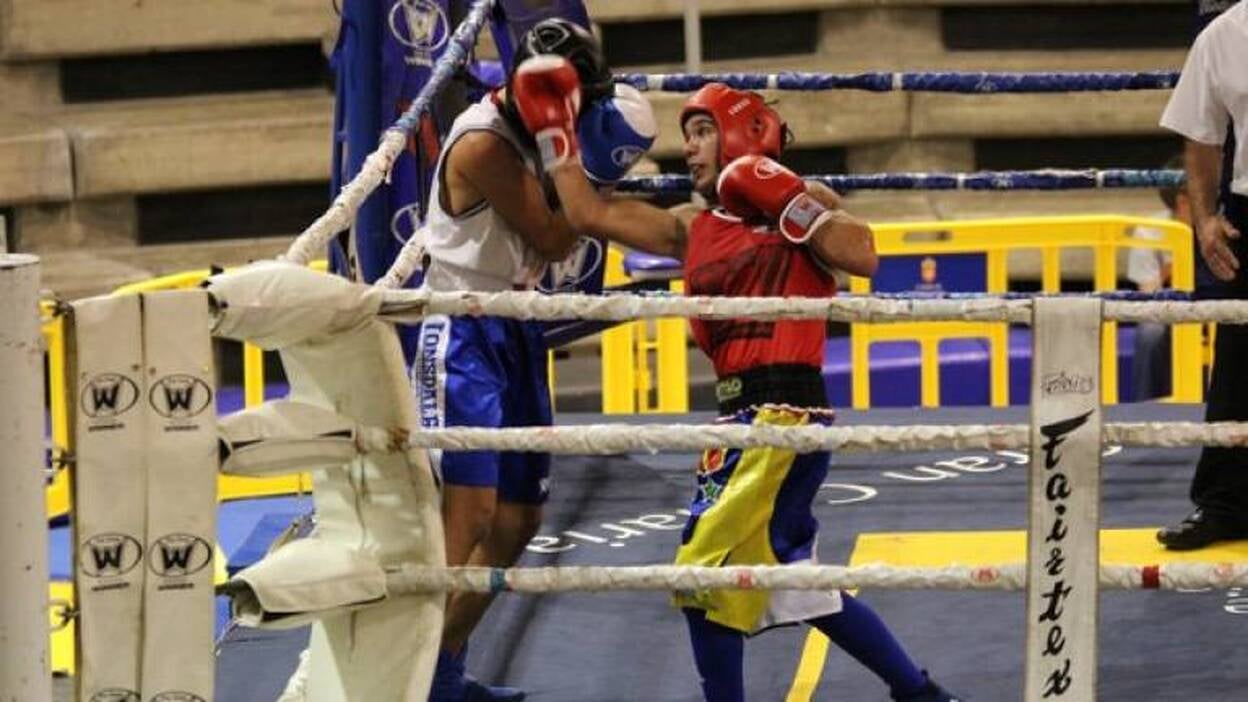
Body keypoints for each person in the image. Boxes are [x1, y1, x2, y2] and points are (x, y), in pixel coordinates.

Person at [413, 18, 671, 701]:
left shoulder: (547, 129)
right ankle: (398, 680)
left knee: (519, 519)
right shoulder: (483, 141)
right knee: (467, 518)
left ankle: (440, 675)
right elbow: (557, 236)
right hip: (464, 328)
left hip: (517, 325)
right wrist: (586, 167)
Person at [1156, 0, 1248, 550]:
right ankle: (1225, 506)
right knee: (1240, 363)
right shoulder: (1226, 34)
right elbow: (1201, 134)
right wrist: (1205, 217)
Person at [1127, 155, 1188, 401]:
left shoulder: (1224, 223)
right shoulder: (1149, 230)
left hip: (1219, 306)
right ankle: (1146, 409)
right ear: (1183, 201)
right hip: (1170, 310)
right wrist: (1175, 268)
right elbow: (1147, 295)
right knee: (1150, 333)